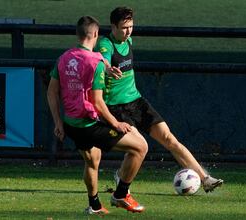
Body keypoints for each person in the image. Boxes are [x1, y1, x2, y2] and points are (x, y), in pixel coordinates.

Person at [95, 6, 223, 193]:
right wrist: (107, 68)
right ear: (113, 26)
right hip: (116, 107)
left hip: (137, 102)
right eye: (123, 27)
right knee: (138, 147)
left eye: (131, 26)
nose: (128, 31)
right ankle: (122, 180)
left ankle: (205, 179)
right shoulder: (106, 43)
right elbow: (101, 58)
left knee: (169, 139)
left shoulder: (129, 40)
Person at [47, 15, 148, 215]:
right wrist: (116, 124)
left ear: (78, 35)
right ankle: (121, 193)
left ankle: (94, 205)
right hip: (88, 125)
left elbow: (51, 91)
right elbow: (98, 103)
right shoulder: (95, 63)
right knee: (140, 148)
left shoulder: (64, 57)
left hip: (70, 124)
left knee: (92, 160)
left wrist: (58, 122)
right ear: (94, 34)